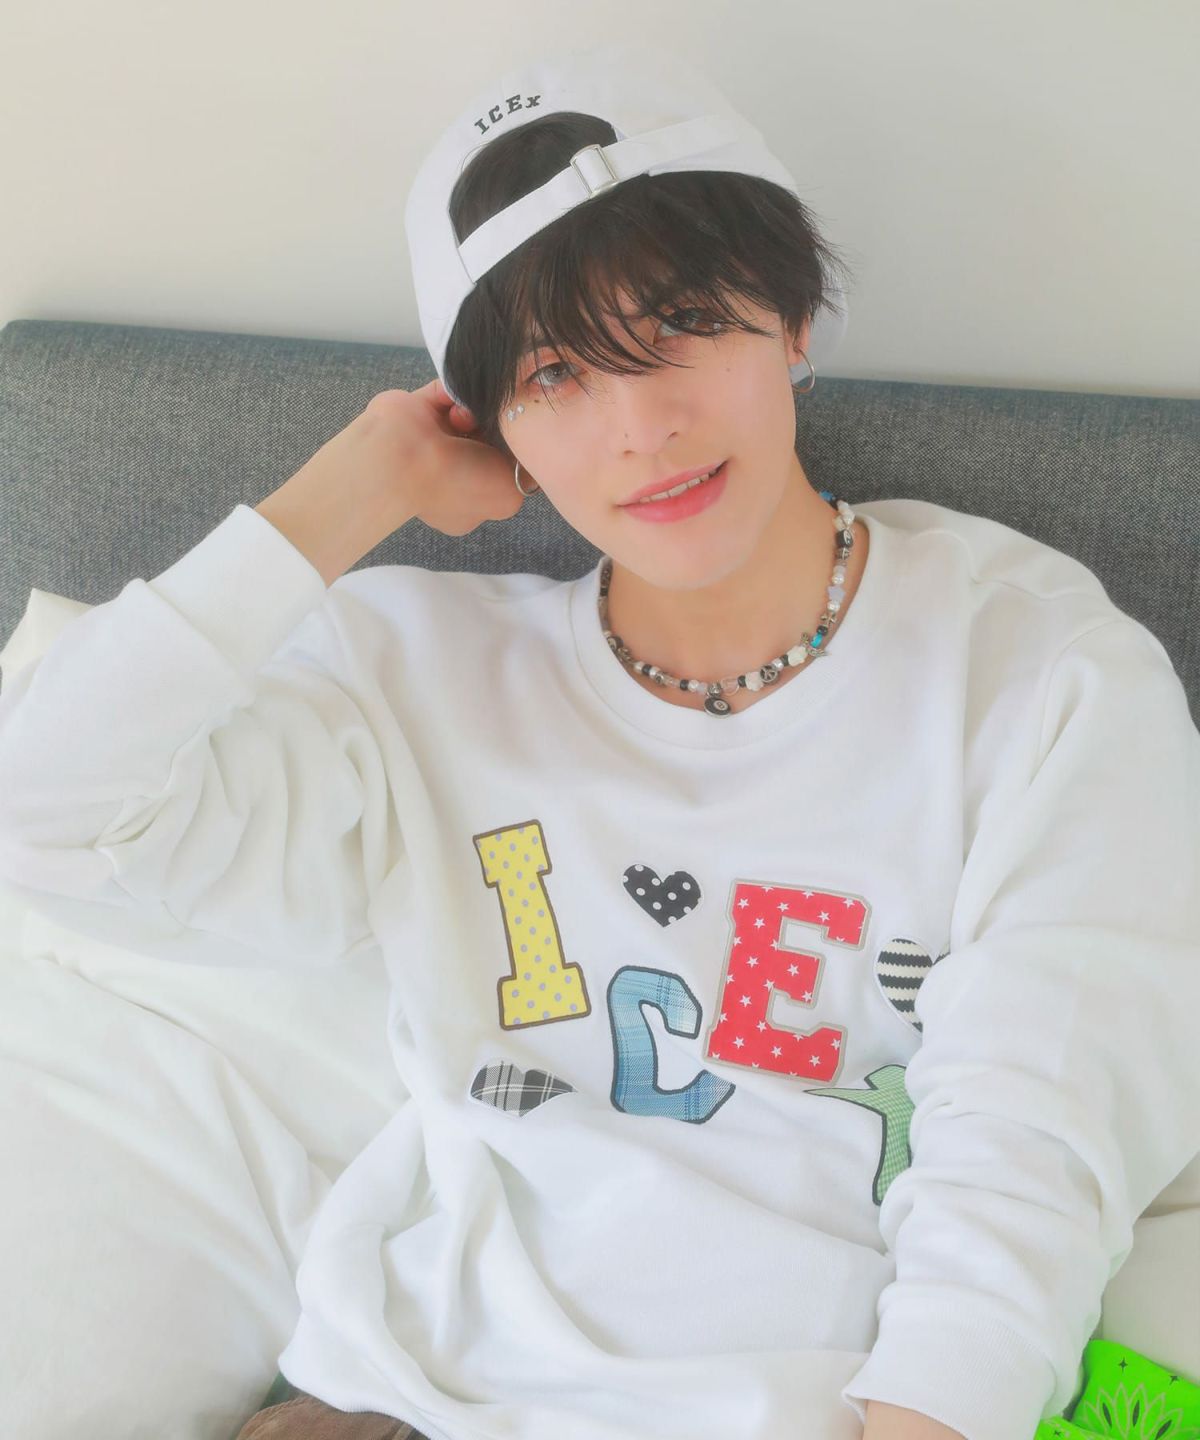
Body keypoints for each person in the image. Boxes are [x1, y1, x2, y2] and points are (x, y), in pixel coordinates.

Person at [1, 41, 1199, 1440]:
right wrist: (352, 489)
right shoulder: (414, 670)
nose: (644, 427)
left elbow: (1033, 1154)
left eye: (684, 320)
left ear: (794, 320)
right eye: (556, 373)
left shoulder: (1040, 674)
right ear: (492, 424)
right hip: (395, 1402)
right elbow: (46, 811)